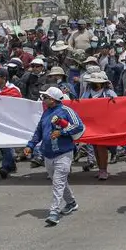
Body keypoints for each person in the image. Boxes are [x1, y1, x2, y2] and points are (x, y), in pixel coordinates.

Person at [26, 87, 85, 226]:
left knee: (58, 182)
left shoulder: (66, 111)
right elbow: (39, 131)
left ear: (53, 99)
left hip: (63, 153)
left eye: (45, 97)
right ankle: (71, 202)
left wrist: (62, 132)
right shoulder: (46, 112)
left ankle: (54, 212)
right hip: (48, 154)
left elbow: (79, 126)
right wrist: (30, 145)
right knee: (60, 181)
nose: (43, 99)